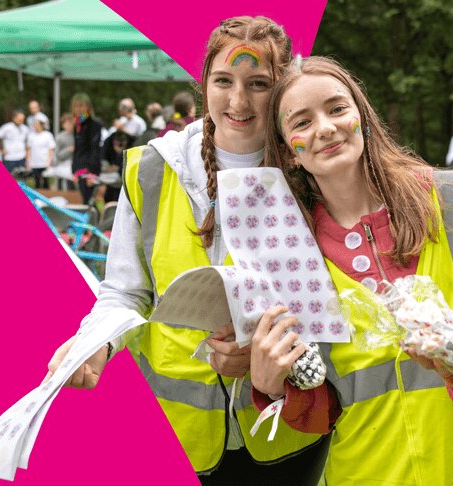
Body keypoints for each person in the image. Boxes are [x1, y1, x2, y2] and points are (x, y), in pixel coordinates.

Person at [43, 17, 330, 485]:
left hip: (286, 429)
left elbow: (338, 300)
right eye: (223, 81)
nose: (237, 101)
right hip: (182, 434)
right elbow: (125, 290)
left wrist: (271, 351)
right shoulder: (152, 169)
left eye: (258, 84)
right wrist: (96, 340)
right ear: (203, 83)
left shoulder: (311, 167)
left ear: (280, 89)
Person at [254, 56, 453, 485]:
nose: (324, 128)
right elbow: (322, 407)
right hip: (366, 471)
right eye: (301, 122)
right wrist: (274, 386)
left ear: (362, 117)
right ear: (287, 151)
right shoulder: (292, 257)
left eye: (337, 109)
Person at [69, 93, 104, 205]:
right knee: (84, 201)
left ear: (88, 107)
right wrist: (74, 170)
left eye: (81, 105)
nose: (78, 109)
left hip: (89, 169)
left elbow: (95, 150)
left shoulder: (95, 125)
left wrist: (92, 172)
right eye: (76, 106)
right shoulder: (77, 125)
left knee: (89, 201)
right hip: (79, 167)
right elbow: (77, 149)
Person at [26, 120, 55, 189]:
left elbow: (51, 149)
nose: (35, 126)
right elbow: (28, 149)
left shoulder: (48, 135)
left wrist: (49, 161)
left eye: (37, 125)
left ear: (42, 125)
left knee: (46, 182)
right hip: (34, 163)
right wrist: (28, 161)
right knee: (36, 182)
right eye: (34, 125)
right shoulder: (31, 136)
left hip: (44, 162)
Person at [48, 114, 75, 190]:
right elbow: (57, 154)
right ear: (63, 125)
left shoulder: (77, 136)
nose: (69, 125)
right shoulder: (60, 137)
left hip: (74, 165)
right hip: (61, 165)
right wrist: (68, 150)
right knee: (60, 185)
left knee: (71, 186)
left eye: (71, 123)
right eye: (67, 123)